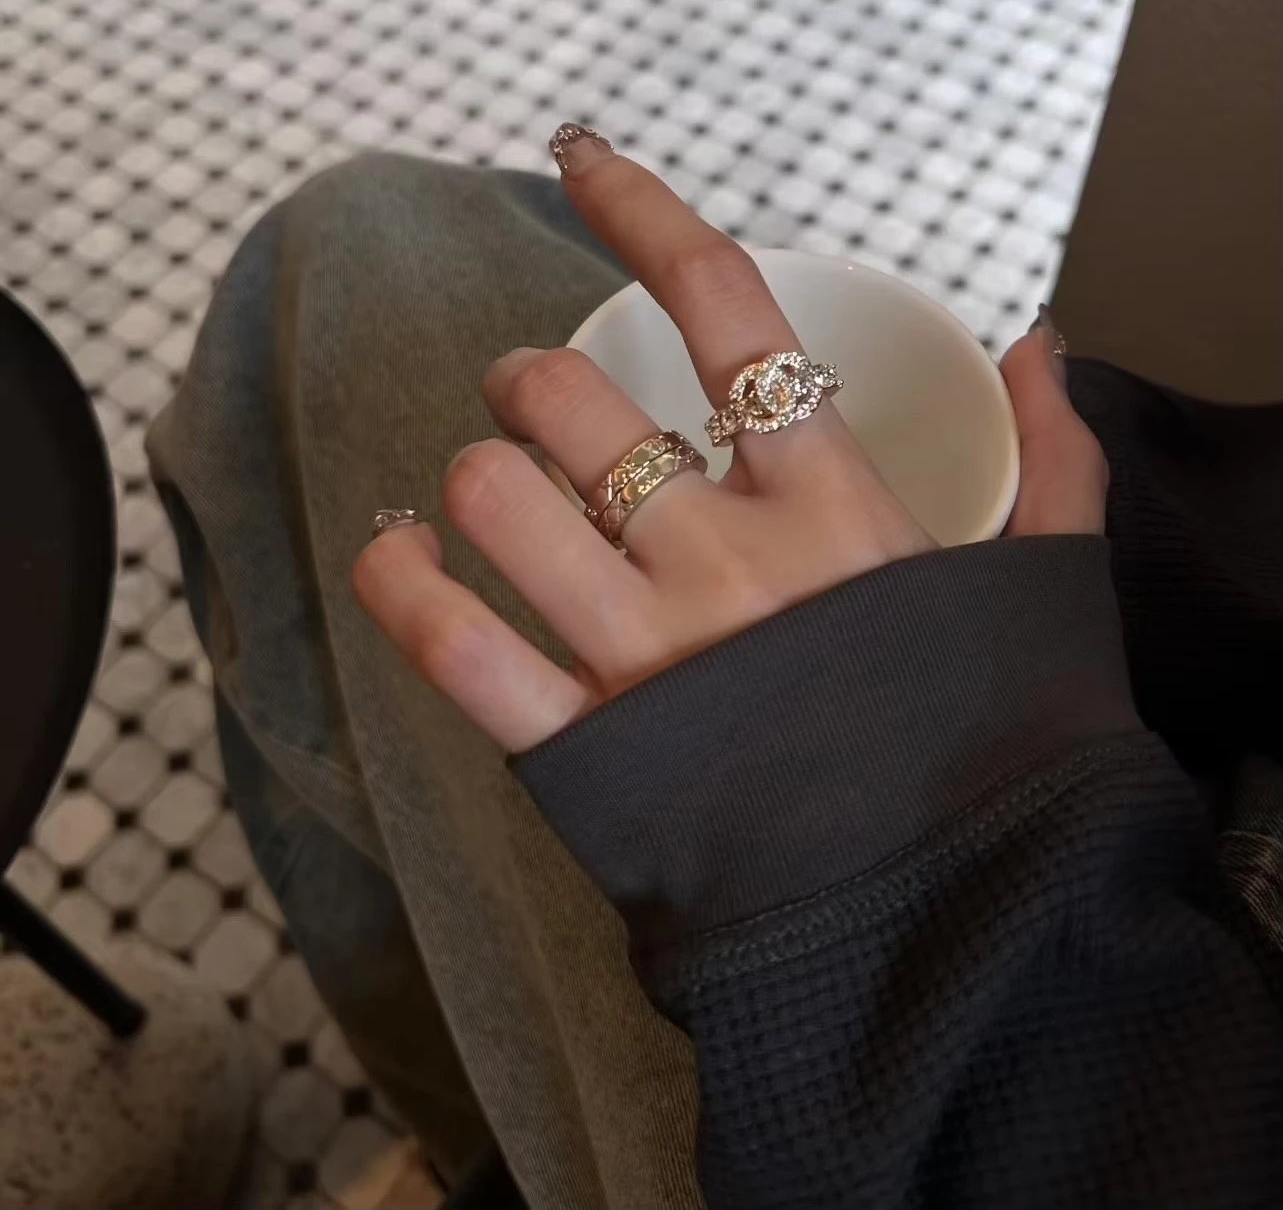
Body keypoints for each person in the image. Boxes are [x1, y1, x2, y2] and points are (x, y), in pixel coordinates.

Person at [147, 125, 1283, 1208]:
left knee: (345, 264)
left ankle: (483, 1139)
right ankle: (485, 1140)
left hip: (1027, 1051)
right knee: (392, 246)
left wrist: (927, 837)